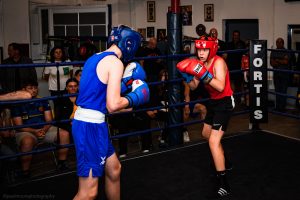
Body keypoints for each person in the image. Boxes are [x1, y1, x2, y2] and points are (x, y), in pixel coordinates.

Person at [72, 25, 149, 200]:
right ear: (130, 44)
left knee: (114, 170)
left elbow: (103, 101)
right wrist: (136, 96)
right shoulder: (115, 63)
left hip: (93, 123)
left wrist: (127, 95)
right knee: (88, 192)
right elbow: (113, 105)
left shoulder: (95, 57)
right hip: (89, 127)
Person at [177, 36, 235, 198]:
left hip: (225, 103)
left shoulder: (218, 62)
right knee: (206, 135)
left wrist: (202, 73)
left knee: (213, 141)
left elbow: (220, 85)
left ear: (212, 49)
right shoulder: (200, 63)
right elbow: (194, 86)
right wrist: (187, 77)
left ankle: (224, 183)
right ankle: (225, 161)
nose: (201, 53)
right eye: (199, 50)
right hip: (213, 103)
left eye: (205, 50)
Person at [11, 80, 71, 178]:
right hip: (25, 131)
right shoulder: (17, 104)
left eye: (35, 88)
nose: (34, 90)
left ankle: (62, 163)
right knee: (27, 141)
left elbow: (49, 120)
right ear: (23, 90)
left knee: (64, 134)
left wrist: (44, 129)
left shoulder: (42, 100)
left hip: (44, 129)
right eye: (30, 88)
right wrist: (35, 131)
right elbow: (19, 126)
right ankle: (25, 171)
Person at [43, 46, 73, 119]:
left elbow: (71, 73)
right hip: (54, 89)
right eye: (56, 52)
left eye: (60, 52)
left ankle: (68, 122)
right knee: (57, 107)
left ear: (63, 53)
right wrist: (54, 82)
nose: (58, 54)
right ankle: (58, 125)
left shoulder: (67, 61)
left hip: (66, 89)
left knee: (68, 105)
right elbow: (45, 76)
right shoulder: (49, 63)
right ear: (53, 54)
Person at [270, 37, 291, 112]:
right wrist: (281, 60)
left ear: (283, 43)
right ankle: (278, 107)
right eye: (277, 42)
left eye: (280, 42)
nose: (278, 44)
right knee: (277, 91)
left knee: (283, 91)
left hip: (284, 74)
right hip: (276, 74)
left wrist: (277, 60)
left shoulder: (287, 51)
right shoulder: (273, 51)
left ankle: (282, 108)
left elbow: (286, 62)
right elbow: (272, 63)